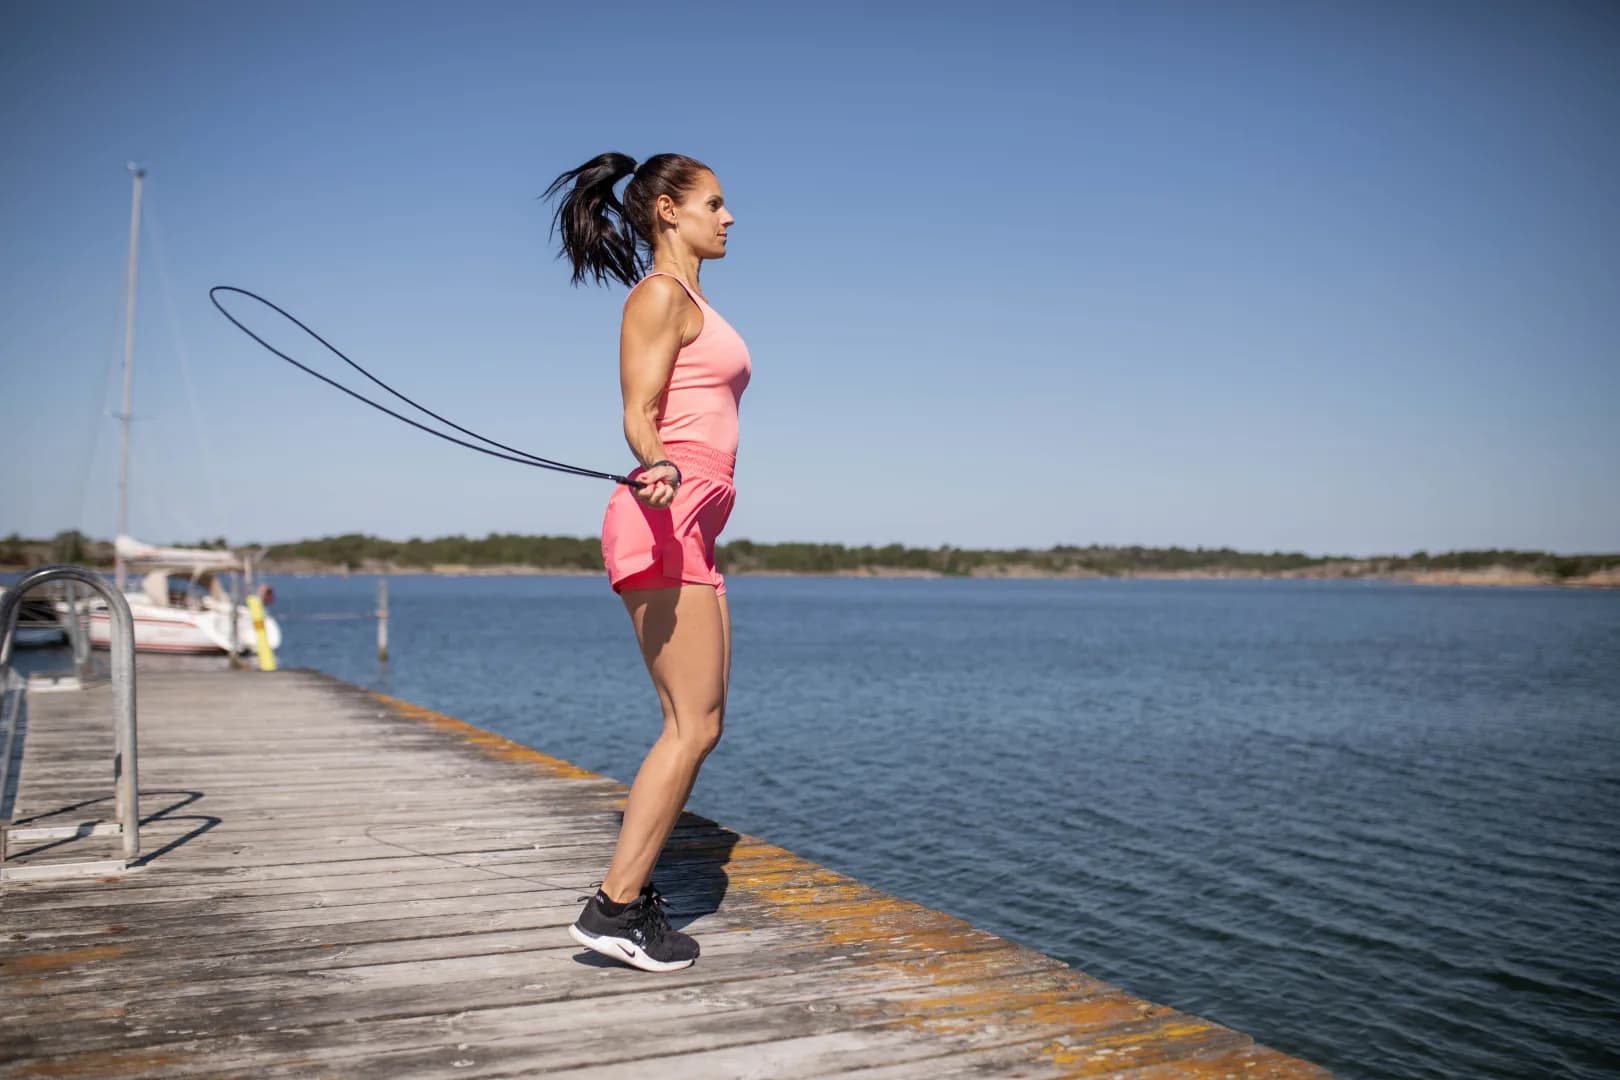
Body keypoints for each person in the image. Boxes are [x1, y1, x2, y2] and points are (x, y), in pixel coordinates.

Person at [544, 152, 749, 972]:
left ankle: (623, 901)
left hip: (691, 533)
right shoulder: (660, 295)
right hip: (660, 521)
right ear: (668, 209)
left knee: (704, 724)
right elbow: (637, 409)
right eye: (716, 202)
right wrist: (657, 459)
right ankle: (615, 908)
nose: (729, 217)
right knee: (689, 725)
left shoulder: (694, 298)